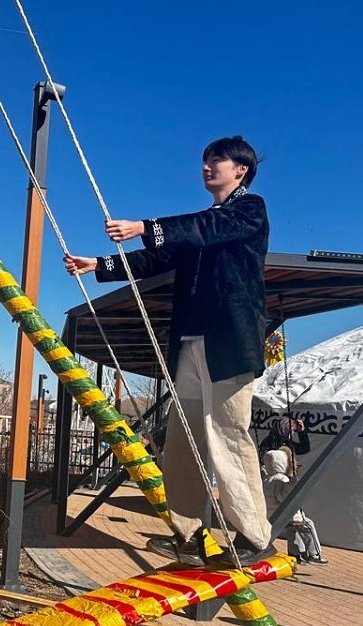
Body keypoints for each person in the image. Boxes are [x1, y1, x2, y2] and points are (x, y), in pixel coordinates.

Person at [64, 135, 273, 566]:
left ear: (242, 171)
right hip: (191, 343)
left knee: (228, 433)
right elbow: (155, 260)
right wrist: (99, 264)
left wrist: (144, 227)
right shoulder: (205, 224)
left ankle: (253, 538)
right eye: (204, 160)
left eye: (217, 160)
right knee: (184, 439)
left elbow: (202, 229)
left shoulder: (249, 211)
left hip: (228, 344)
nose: (207, 167)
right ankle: (189, 537)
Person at [261, 417, 327, 564]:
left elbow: (304, 447)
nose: (292, 432)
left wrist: (302, 431)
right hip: (282, 484)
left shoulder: (286, 443)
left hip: (276, 489)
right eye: (291, 429)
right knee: (299, 521)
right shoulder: (270, 446)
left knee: (292, 526)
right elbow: (284, 497)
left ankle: (296, 553)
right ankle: (313, 554)